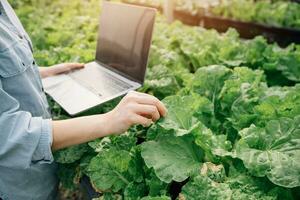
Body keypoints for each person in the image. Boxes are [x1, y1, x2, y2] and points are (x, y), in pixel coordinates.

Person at [0, 0, 167, 199]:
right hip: (13, 188)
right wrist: (108, 120)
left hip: (37, 176)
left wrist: (44, 74)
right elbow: (7, 134)